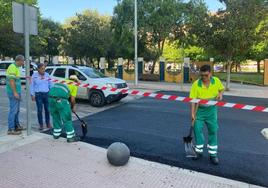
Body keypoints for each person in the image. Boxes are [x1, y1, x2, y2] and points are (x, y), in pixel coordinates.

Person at [189, 64, 224, 165]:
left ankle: (213, 154)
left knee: (213, 130)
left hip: (211, 111)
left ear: (210, 74)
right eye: (202, 75)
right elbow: (192, 100)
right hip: (199, 111)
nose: (204, 78)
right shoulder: (196, 84)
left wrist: (220, 94)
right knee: (197, 130)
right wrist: (192, 114)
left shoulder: (216, 81)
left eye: (206, 75)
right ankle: (198, 152)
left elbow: (221, 89)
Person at [48, 75, 80, 142]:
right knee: (67, 118)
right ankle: (71, 137)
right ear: (76, 81)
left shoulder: (62, 81)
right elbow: (72, 100)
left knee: (55, 116)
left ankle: (56, 134)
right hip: (61, 100)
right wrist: (72, 107)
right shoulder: (74, 85)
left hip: (50, 99)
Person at [6, 55, 26, 135]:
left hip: (16, 91)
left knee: (16, 110)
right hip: (13, 92)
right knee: (13, 111)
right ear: (19, 60)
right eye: (23, 61)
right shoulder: (12, 67)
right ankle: (11, 129)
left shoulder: (16, 67)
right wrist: (15, 92)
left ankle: (16, 126)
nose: (23, 62)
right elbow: (11, 81)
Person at [30, 63, 52, 131]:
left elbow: (50, 84)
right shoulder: (34, 75)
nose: (43, 70)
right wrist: (32, 94)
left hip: (47, 94)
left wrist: (51, 93)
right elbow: (31, 85)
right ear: (38, 69)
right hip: (38, 95)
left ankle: (48, 123)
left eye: (44, 69)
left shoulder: (47, 75)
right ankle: (41, 125)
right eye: (42, 69)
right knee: (39, 110)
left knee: (47, 110)